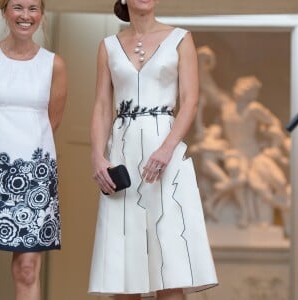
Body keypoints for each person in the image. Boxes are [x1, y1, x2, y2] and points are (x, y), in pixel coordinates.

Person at [88, 0, 218, 299]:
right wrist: (97, 155)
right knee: (124, 270)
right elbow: (102, 105)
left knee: (169, 264)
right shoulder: (108, 45)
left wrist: (167, 148)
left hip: (166, 156)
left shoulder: (181, 38)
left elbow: (190, 101)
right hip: (122, 154)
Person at [0, 0, 67, 299]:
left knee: (27, 268)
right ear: (4, 12)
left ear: (41, 14)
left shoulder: (54, 64)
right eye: (17, 7)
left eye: (32, 8)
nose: (25, 16)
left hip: (32, 176)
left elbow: (52, 120)